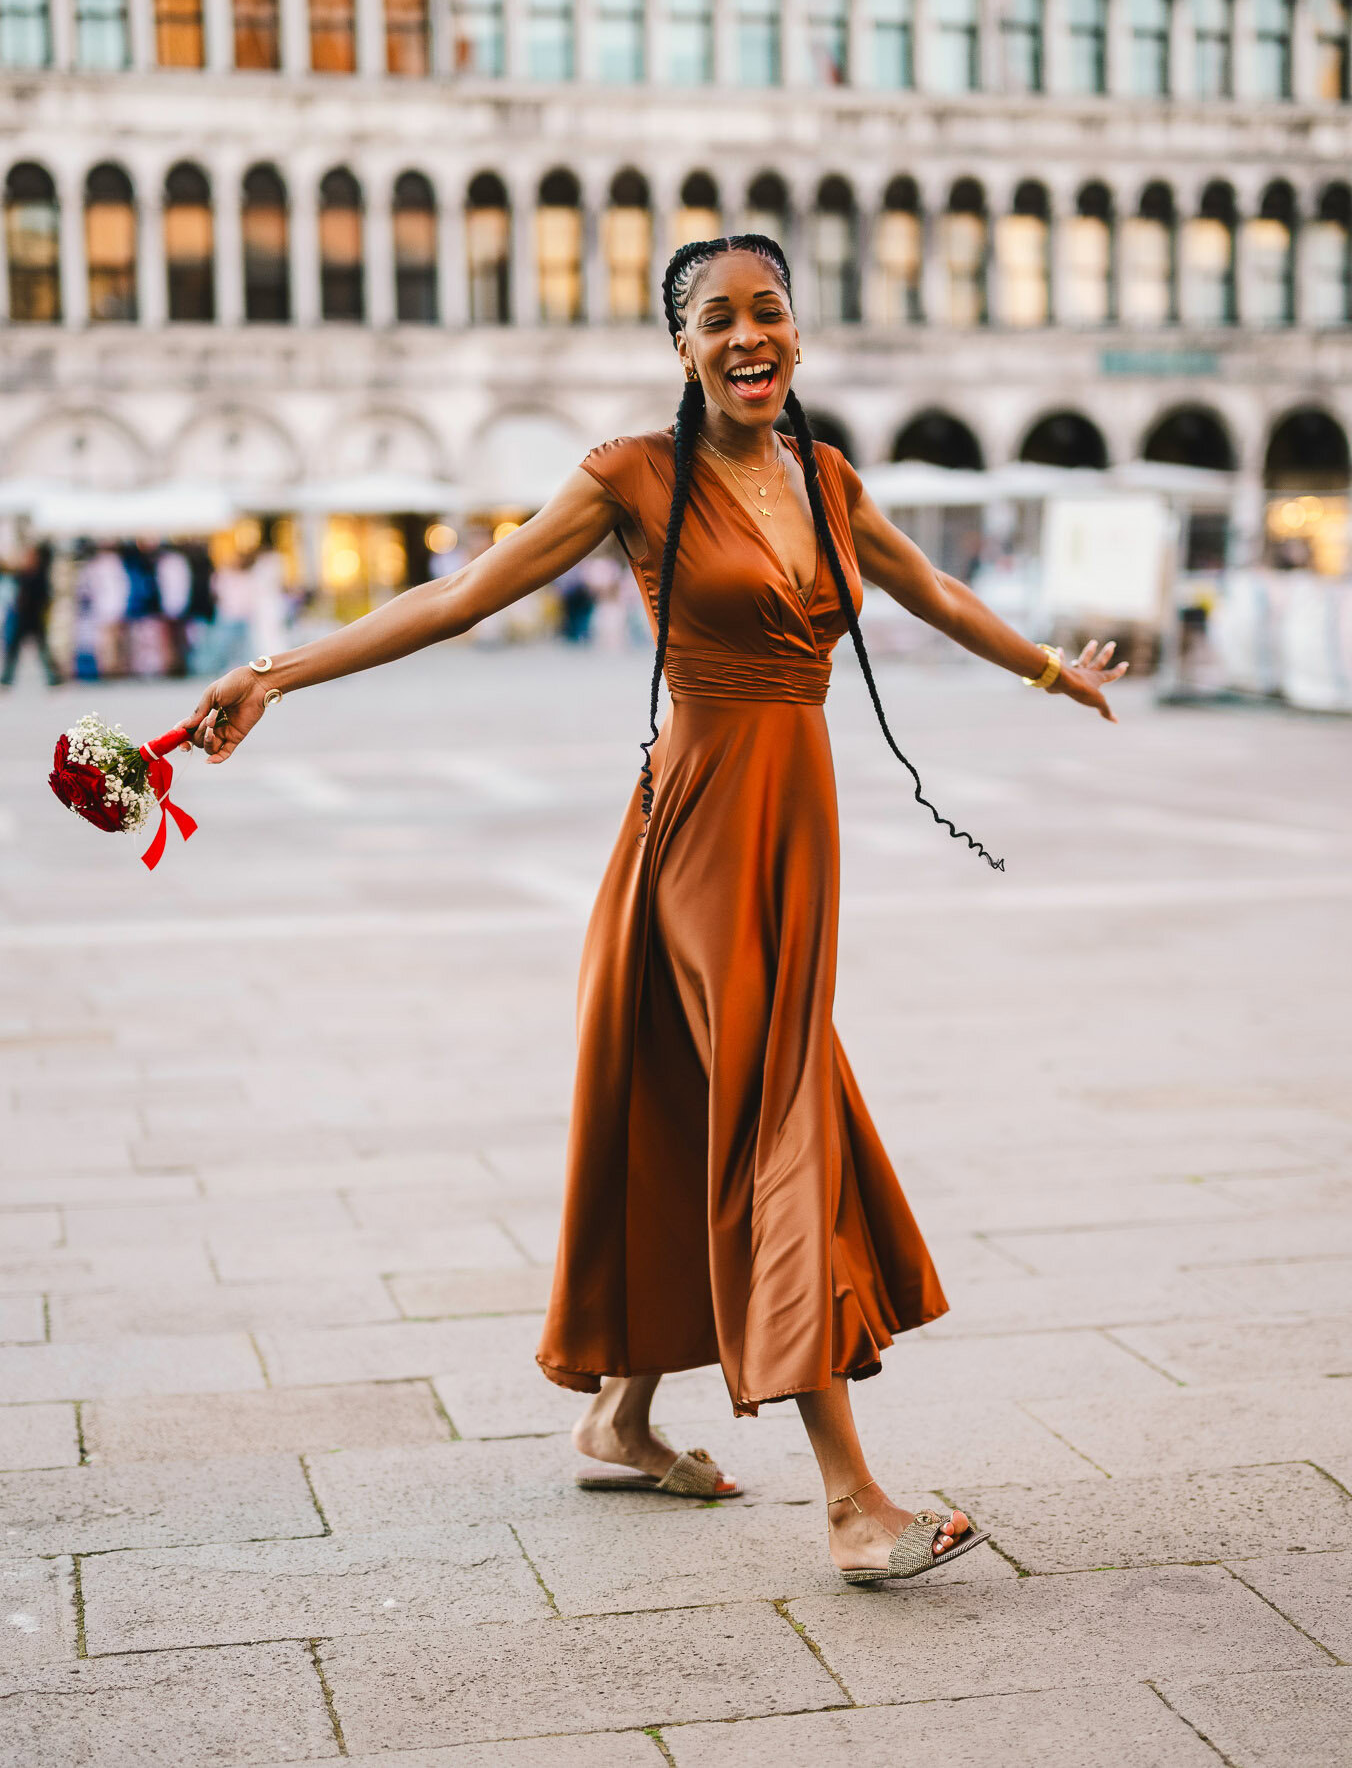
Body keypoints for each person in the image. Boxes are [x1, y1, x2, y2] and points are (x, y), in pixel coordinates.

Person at [182, 236, 1126, 1586]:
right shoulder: (631, 474)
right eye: (716, 318)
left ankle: (623, 1415)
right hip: (702, 836)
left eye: (771, 312)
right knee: (777, 1115)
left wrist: (1047, 668)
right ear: (680, 345)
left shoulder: (828, 476)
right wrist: (274, 673)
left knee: (695, 1105)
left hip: (797, 830)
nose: (750, 338)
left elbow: (934, 592)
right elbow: (462, 596)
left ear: (798, 331)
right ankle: (853, 1500)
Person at [1, 542, 60, 687]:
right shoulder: (22, 576)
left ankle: (53, 678)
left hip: (34, 618)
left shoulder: (39, 577)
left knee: (43, 650)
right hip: (23, 618)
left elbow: (45, 597)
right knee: (14, 650)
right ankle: (6, 679)